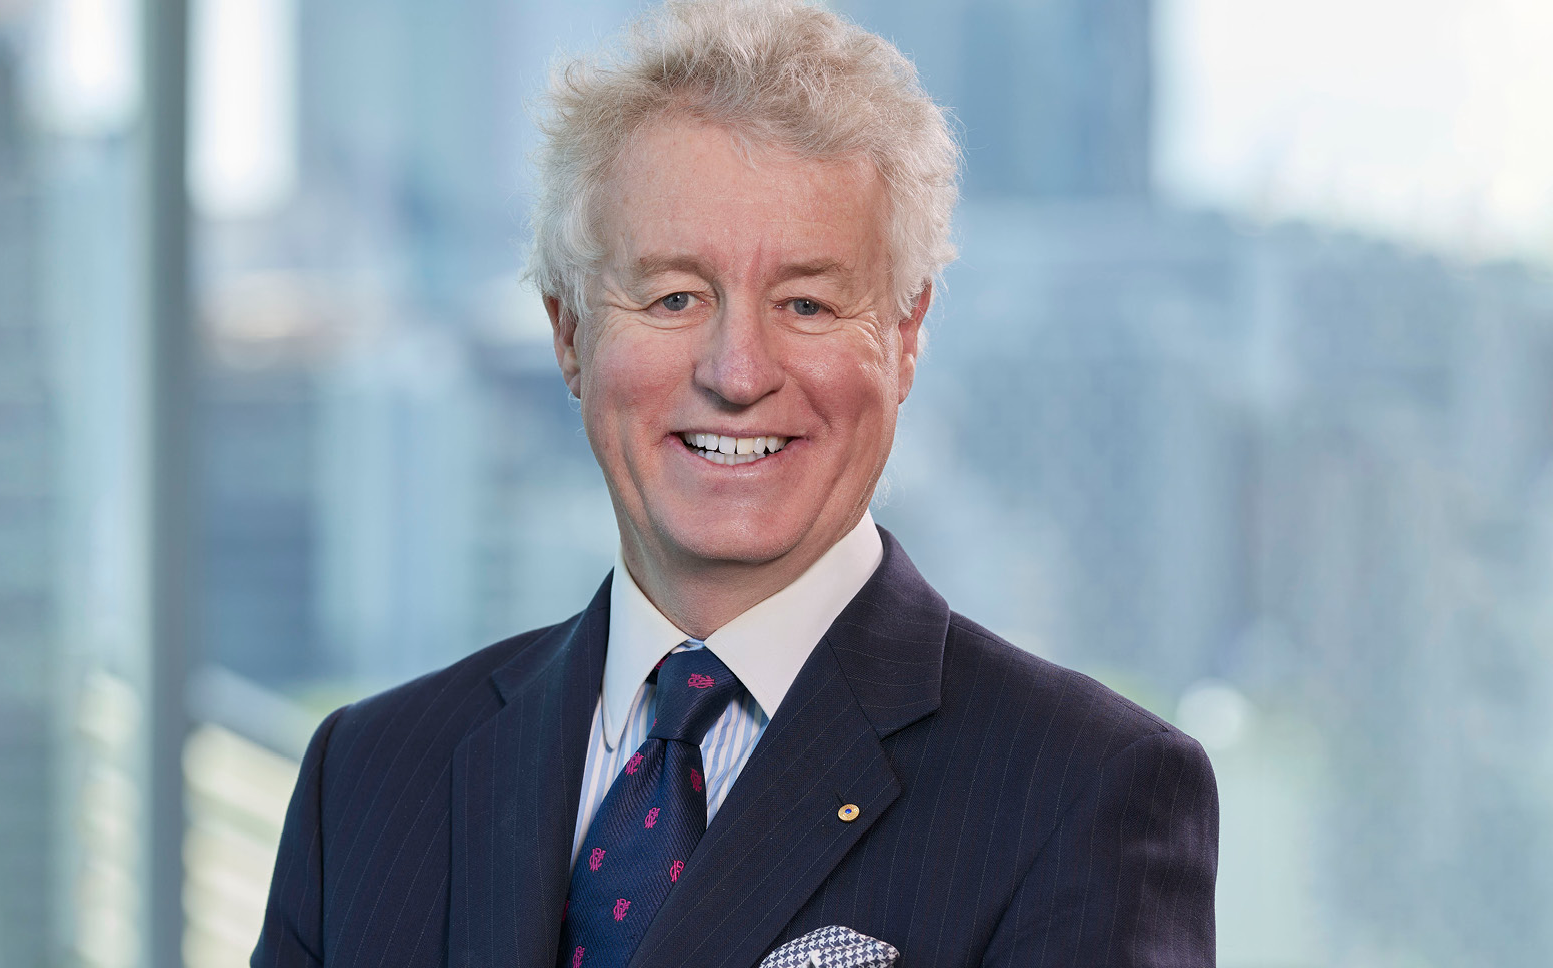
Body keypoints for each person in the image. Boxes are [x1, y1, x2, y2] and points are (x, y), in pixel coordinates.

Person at [252, 1, 1218, 965]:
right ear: (569, 333)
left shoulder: (1086, 792)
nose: (738, 371)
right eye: (675, 297)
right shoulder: (369, 778)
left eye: (807, 301)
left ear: (906, 335)